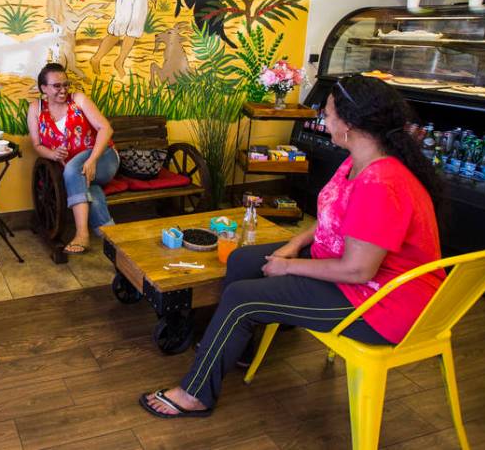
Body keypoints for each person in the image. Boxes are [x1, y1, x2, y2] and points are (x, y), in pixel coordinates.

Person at [141, 76, 444, 418]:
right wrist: (294, 244)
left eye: (327, 114)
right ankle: (237, 347)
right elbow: (332, 218)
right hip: (348, 272)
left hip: (378, 303)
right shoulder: (357, 159)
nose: (322, 119)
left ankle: (195, 394)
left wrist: (288, 266)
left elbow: (358, 270)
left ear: (348, 125)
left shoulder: (381, 183)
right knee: (242, 260)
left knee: (241, 299)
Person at [27, 63, 118, 254]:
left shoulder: (78, 99)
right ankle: (110, 233)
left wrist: (92, 160)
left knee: (73, 170)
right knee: (89, 186)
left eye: (66, 84)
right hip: (79, 171)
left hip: (103, 158)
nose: (63, 90)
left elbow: (106, 129)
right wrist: (52, 154)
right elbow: (36, 145)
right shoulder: (36, 109)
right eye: (57, 86)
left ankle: (82, 234)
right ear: (43, 88)